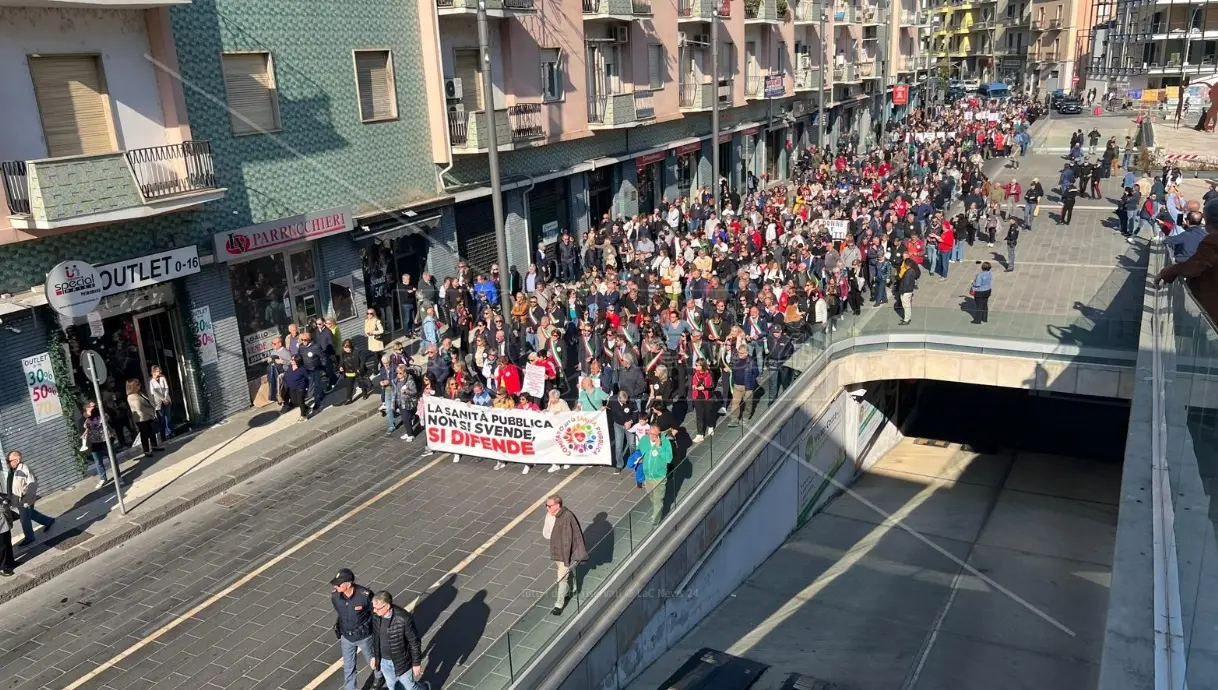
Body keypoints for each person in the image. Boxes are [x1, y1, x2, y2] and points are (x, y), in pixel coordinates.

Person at [330, 568, 384, 690]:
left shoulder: (364, 596)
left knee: (373, 660)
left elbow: (375, 614)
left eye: (338, 584)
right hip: (346, 637)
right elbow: (341, 613)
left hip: (364, 636)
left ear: (348, 585)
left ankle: (380, 675)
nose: (335, 587)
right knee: (349, 668)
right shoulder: (335, 596)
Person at [370, 591, 425, 690]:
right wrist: (374, 655)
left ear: (386, 606)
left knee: (410, 687)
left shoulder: (403, 618)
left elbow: (414, 642)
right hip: (384, 661)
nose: (374, 611)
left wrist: (416, 663)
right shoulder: (376, 616)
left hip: (401, 661)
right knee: (393, 686)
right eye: (373, 607)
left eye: (377, 608)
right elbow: (375, 637)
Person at [542, 494, 587, 615]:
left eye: (549, 506)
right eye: (546, 505)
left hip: (563, 552)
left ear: (557, 505)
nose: (547, 508)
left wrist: (570, 555)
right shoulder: (549, 516)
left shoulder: (567, 517)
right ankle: (573, 587)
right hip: (556, 550)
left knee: (561, 578)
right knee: (564, 572)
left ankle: (559, 604)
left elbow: (574, 536)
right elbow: (546, 533)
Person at [5, 451, 53, 548]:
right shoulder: (13, 470)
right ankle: (48, 521)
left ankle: (30, 538)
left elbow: (33, 484)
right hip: (18, 499)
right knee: (31, 513)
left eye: (9, 461)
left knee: (24, 519)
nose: (7, 463)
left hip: (24, 500)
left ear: (17, 460)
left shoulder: (24, 469)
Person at [635, 425, 673, 524]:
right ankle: (657, 512)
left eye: (655, 435)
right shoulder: (644, 440)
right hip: (647, 476)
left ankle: (655, 522)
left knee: (658, 500)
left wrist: (659, 447)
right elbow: (638, 450)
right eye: (650, 434)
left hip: (659, 477)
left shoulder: (665, 443)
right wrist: (638, 458)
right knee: (651, 495)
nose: (652, 437)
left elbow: (668, 459)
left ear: (659, 434)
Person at [81, 400, 116, 488]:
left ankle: (117, 476)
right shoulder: (85, 418)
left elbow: (106, 418)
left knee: (111, 457)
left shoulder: (101, 414)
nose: (94, 409)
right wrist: (88, 415)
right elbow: (84, 426)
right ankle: (103, 478)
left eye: (95, 407)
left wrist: (99, 410)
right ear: (86, 409)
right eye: (91, 407)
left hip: (105, 439)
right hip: (94, 441)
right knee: (98, 460)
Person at [126, 379, 162, 458]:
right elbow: (139, 407)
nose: (139, 385)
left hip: (148, 416)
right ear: (132, 387)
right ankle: (146, 450)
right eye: (137, 384)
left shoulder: (140, 393)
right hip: (142, 418)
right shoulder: (131, 396)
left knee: (152, 431)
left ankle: (154, 446)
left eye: (139, 383)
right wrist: (151, 411)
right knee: (145, 434)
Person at [338, 339, 371, 405]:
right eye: (345, 348)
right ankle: (349, 399)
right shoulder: (342, 353)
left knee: (362, 382)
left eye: (347, 348)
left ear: (350, 347)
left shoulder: (357, 351)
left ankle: (364, 394)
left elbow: (362, 361)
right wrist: (341, 367)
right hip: (348, 371)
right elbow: (341, 362)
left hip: (357, 370)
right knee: (349, 386)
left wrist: (361, 368)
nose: (346, 350)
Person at [149, 365, 173, 442]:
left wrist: (165, 397)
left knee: (168, 417)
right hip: (158, 402)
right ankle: (163, 435)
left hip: (166, 399)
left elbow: (166, 388)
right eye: (158, 371)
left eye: (160, 370)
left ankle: (169, 432)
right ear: (153, 372)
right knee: (161, 418)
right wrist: (161, 398)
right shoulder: (151, 381)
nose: (160, 372)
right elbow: (153, 392)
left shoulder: (162, 378)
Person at [284, 355, 311, 421]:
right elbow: (287, 375)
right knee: (294, 401)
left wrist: (307, 387)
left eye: (293, 360)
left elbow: (308, 378)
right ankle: (306, 408)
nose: (291, 360)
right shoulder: (290, 367)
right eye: (291, 359)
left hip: (300, 387)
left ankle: (303, 416)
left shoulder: (302, 369)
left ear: (297, 361)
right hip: (292, 387)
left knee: (300, 401)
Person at [896, 256, 920, 325]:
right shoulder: (912, 271)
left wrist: (902, 291)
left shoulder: (907, 273)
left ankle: (906, 319)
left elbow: (905, 284)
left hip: (906, 292)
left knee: (906, 305)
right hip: (910, 290)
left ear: (906, 265)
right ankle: (908, 317)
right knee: (908, 305)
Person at [0, 492, 14, 575]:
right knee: (2, 547)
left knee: (8, 542)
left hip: (5, 521)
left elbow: (5, 496)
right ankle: (1, 568)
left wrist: (6, 499)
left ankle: (10, 562)